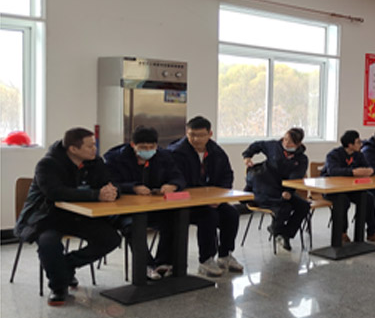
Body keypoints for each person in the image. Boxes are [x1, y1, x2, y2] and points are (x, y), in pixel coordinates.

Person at [14, 127, 121, 306]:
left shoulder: (96, 162)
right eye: (89, 146)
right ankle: (58, 287)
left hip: (79, 215)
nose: (94, 149)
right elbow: (56, 192)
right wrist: (96, 195)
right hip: (47, 217)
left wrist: (112, 192)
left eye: (94, 145)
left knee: (111, 238)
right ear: (73, 149)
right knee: (48, 243)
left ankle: (66, 266)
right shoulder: (48, 164)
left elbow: (110, 183)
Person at [105, 126, 187, 280]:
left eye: (152, 147)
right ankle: (147, 266)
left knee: (174, 219)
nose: (148, 150)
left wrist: (173, 185)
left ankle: (164, 262)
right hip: (123, 211)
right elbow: (109, 183)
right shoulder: (115, 159)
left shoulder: (163, 156)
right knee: (133, 227)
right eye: (143, 147)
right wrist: (133, 187)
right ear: (133, 145)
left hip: (154, 207)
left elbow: (179, 177)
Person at [169, 116, 243, 274]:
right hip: (186, 204)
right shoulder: (176, 153)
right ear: (186, 133)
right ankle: (206, 260)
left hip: (212, 201)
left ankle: (225, 255)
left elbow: (227, 176)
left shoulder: (217, 152)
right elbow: (176, 181)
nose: (196, 139)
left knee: (231, 214)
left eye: (201, 135)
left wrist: (219, 198)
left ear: (210, 134)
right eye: (192, 135)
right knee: (209, 216)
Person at [241, 128, 310, 252]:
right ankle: (278, 232)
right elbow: (257, 145)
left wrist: (289, 191)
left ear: (298, 144)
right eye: (285, 139)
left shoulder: (301, 159)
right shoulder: (274, 146)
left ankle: (284, 233)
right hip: (264, 186)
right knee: (284, 208)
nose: (286, 143)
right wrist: (247, 156)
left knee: (304, 206)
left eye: (290, 142)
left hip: (282, 189)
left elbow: (296, 176)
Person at [322, 130, 375, 244]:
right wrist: (353, 172)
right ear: (350, 145)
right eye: (358, 142)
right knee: (343, 201)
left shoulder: (359, 155)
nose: (361, 144)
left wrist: (370, 170)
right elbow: (333, 171)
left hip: (351, 188)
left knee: (367, 198)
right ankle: (341, 233)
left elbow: (368, 167)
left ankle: (372, 232)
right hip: (332, 189)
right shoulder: (334, 155)